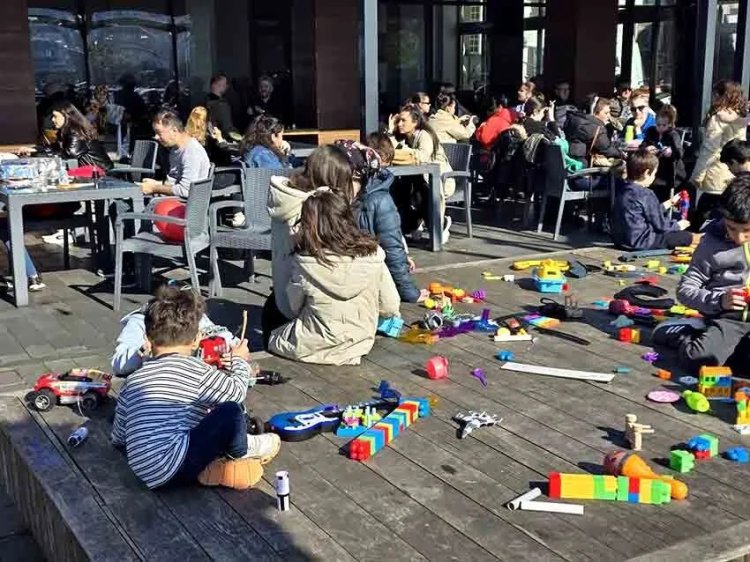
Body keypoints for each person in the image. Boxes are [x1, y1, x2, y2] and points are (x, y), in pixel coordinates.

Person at [111, 285, 280, 490]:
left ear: (147, 339)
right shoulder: (196, 370)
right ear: (196, 340)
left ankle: (210, 470)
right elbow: (235, 392)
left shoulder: (134, 379)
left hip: (143, 472)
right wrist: (239, 361)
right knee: (231, 411)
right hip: (177, 466)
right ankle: (240, 454)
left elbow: (119, 435)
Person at [267, 190, 400, 365]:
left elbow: (292, 309)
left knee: (271, 310)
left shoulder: (306, 263)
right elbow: (390, 306)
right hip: (359, 342)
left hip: (312, 345)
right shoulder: (373, 256)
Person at [653, 175, 750, 371]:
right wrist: (719, 301)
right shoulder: (710, 244)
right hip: (730, 317)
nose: (739, 238)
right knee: (699, 359)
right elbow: (685, 290)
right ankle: (687, 332)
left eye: (747, 230)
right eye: (731, 228)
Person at [264, 145, 355, 349]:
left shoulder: (288, 199)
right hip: (300, 306)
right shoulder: (312, 211)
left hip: (280, 296)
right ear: (332, 180)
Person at [341, 136, 425, 303]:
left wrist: (407, 288)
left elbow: (392, 247)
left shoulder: (377, 200)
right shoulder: (342, 199)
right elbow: (392, 247)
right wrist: (409, 292)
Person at [388, 105, 455, 243]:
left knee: (418, 193)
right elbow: (389, 150)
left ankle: (441, 224)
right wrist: (390, 132)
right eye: (398, 120)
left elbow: (420, 157)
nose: (399, 124)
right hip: (417, 179)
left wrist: (396, 153)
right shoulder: (405, 137)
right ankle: (413, 222)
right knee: (398, 190)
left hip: (438, 181)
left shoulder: (424, 136)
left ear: (415, 122)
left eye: (403, 120)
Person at [611, 148, 694, 251]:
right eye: (654, 174)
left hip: (622, 241)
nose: (654, 177)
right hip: (642, 242)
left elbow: (645, 211)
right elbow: (661, 225)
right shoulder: (646, 194)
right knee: (687, 237)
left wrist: (669, 203)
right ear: (646, 173)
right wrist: (678, 225)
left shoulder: (623, 188)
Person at [691, 80, 749, 226]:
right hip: (735, 171)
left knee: (705, 214)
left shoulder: (717, 118)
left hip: (716, 171)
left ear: (721, 96)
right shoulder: (740, 118)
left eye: (715, 94)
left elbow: (709, 149)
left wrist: (697, 176)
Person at [140, 110, 211, 197]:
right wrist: (156, 183)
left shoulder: (191, 152)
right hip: (174, 198)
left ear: (174, 130)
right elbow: (173, 182)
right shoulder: (175, 149)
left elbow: (186, 191)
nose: (156, 137)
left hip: (185, 202)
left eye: (159, 133)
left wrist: (154, 188)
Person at [49, 101, 113, 171]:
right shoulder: (68, 129)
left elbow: (70, 154)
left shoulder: (75, 130)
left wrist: (49, 153)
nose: (52, 119)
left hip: (99, 171)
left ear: (66, 115)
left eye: (55, 116)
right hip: (92, 169)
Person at [642, 104, 684, 201]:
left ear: (669, 124)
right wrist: (646, 149)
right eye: (658, 125)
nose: (660, 127)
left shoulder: (673, 135)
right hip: (654, 169)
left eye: (664, 125)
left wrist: (671, 152)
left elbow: (680, 153)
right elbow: (642, 145)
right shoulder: (652, 132)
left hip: (669, 171)